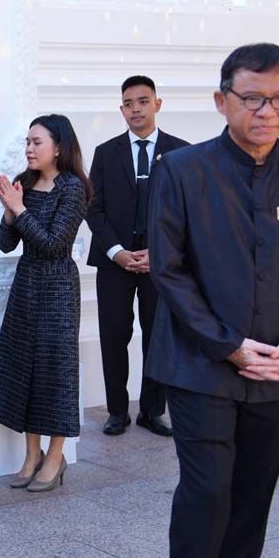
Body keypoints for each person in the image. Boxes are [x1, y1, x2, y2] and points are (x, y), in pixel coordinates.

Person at [147, 42, 279, 558]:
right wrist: (229, 345)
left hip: (276, 372)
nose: (267, 111)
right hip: (200, 366)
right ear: (221, 100)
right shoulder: (182, 169)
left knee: (253, 500)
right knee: (207, 494)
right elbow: (168, 269)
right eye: (252, 98)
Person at [0, 114, 90, 493]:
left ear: (58, 147)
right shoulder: (25, 183)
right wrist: (9, 211)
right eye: (27, 142)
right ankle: (32, 455)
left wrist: (21, 209)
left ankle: (55, 456)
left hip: (58, 287)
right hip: (27, 284)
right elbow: (5, 244)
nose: (29, 149)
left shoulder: (73, 188)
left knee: (55, 371)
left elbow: (53, 244)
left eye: (37, 142)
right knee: (25, 367)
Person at [86, 76, 190, 437]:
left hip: (161, 263)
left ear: (157, 104)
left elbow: (186, 212)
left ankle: (152, 410)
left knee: (157, 336)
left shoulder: (181, 152)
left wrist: (159, 252)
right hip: (114, 262)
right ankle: (117, 411)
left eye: (143, 101)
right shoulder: (105, 153)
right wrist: (116, 252)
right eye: (128, 103)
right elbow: (94, 209)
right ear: (121, 109)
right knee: (114, 335)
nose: (136, 109)